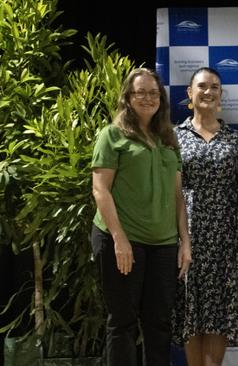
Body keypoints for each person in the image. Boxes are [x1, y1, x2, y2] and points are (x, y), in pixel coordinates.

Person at [91, 68, 192, 366]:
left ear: (160, 98)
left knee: (159, 324)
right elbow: (100, 190)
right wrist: (120, 240)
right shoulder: (112, 135)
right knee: (122, 323)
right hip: (122, 242)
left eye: (153, 93)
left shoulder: (168, 138)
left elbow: (177, 196)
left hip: (163, 244)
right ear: (128, 97)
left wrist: (184, 241)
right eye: (141, 92)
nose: (148, 98)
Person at [171, 67, 238, 366]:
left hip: (228, 237)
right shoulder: (173, 137)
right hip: (188, 234)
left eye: (214, 87)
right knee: (191, 308)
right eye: (202, 86)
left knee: (221, 312)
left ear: (221, 95)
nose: (208, 91)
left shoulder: (235, 140)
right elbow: (171, 192)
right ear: (190, 93)